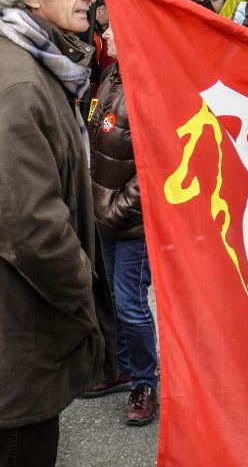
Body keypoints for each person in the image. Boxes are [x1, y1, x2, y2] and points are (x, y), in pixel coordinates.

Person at [0, 0, 116, 466]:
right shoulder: (22, 83)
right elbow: (28, 226)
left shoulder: (24, 63)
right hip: (16, 341)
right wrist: (83, 296)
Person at [87, 25, 159, 426]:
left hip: (128, 220)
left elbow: (154, 166)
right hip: (106, 213)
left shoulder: (150, 85)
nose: (107, 33)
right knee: (116, 300)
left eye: (115, 27)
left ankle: (145, 383)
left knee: (131, 304)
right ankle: (125, 369)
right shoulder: (114, 76)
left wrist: (119, 208)